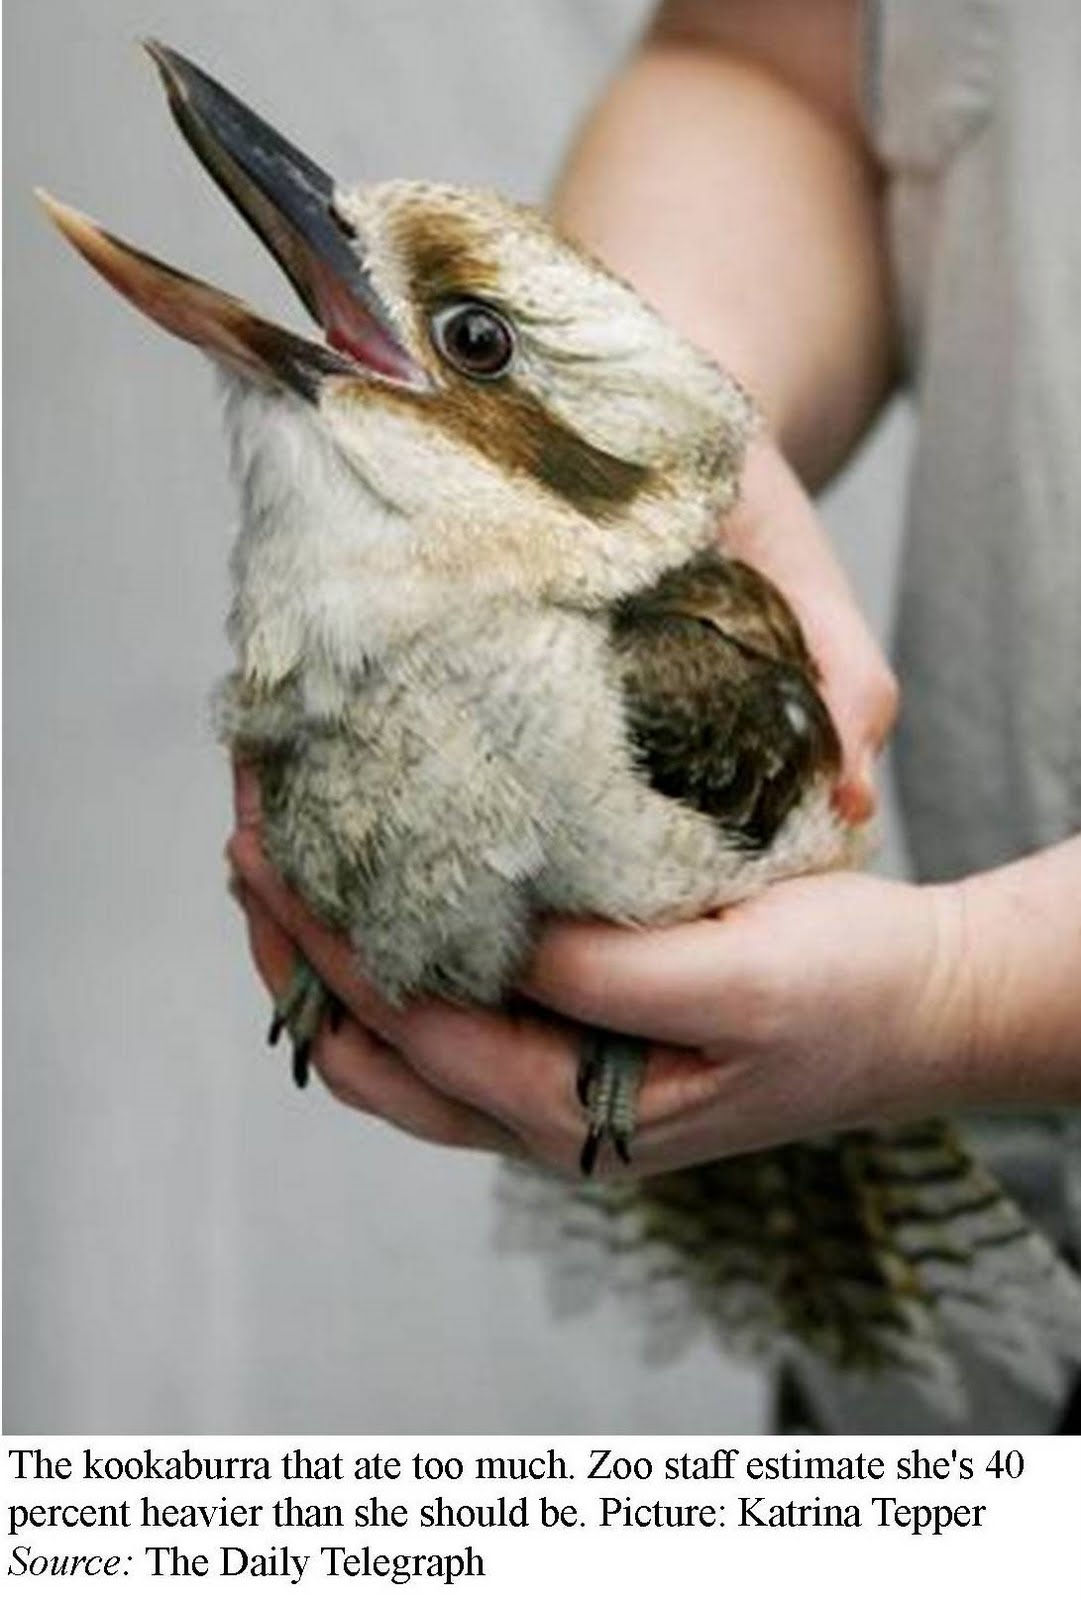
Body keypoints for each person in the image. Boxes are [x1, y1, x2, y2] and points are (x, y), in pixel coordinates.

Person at [228, 0, 1081, 1426]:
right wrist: (678, 413)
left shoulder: (680, 687)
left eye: (473, 347)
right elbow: (775, 62)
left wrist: (961, 997)